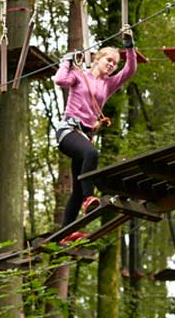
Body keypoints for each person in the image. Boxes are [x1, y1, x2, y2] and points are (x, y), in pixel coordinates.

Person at [52, 28, 137, 240]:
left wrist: (129, 45)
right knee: (91, 154)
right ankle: (89, 198)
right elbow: (60, 80)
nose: (111, 65)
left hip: (85, 135)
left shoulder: (108, 84)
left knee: (77, 189)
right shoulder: (79, 76)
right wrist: (67, 61)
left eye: (114, 63)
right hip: (68, 131)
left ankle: (65, 234)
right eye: (108, 60)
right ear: (97, 59)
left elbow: (130, 70)